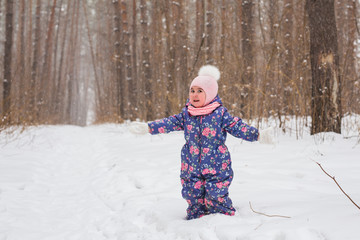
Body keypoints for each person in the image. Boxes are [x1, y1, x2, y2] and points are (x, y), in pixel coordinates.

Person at [130, 65, 273, 220]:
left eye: (200, 91)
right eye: (192, 90)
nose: (195, 95)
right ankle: (195, 221)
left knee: (216, 194)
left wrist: (258, 135)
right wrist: (149, 127)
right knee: (192, 193)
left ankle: (222, 220)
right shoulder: (186, 114)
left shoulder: (220, 114)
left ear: (210, 93)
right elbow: (168, 123)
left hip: (216, 164)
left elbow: (237, 126)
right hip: (191, 164)